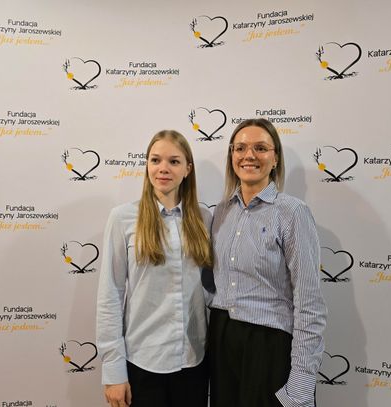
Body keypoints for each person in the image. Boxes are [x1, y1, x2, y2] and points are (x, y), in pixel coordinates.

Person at [209, 118, 327, 407]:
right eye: (240, 148)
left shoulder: (292, 213)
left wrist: (301, 382)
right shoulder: (221, 211)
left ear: (275, 159)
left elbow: (309, 302)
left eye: (260, 148)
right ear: (232, 156)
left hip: (268, 346)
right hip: (222, 340)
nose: (248, 155)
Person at [96, 130, 213, 407]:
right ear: (147, 165)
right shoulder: (123, 218)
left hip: (193, 362)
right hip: (143, 362)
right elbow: (110, 294)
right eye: (155, 160)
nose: (163, 168)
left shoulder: (204, 219)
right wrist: (113, 369)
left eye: (174, 161)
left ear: (187, 169)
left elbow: (210, 288)